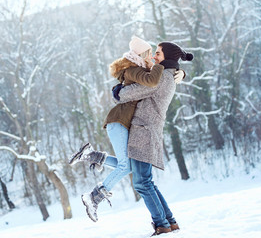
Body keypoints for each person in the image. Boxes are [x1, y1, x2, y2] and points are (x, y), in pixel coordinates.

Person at [69, 36, 185, 223]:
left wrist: (179, 71)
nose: (154, 57)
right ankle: (96, 195)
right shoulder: (139, 70)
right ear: (141, 55)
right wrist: (170, 69)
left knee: (137, 175)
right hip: (123, 122)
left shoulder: (157, 74)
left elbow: (148, 85)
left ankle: (93, 163)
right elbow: (138, 88)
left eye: (156, 53)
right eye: (151, 53)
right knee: (138, 176)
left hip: (137, 127)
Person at [115, 42, 193, 236]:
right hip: (147, 131)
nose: (153, 57)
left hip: (144, 132)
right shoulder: (168, 75)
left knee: (142, 183)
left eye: (157, 53)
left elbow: (127, 94)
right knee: (146, 181)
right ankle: (169, 222)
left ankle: (162, 225)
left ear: (166, 57)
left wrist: (117, 90)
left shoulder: (162, 78)